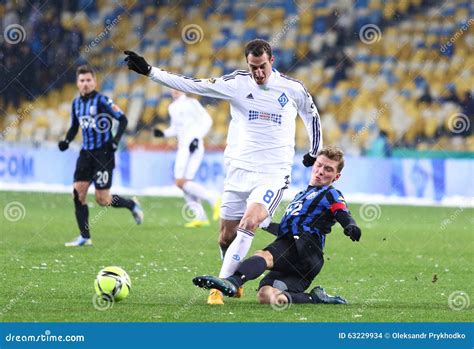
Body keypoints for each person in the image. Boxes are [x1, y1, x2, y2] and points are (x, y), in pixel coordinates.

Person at [124, 38, 322, 304]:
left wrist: (313, 151)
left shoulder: (292, 88)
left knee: (249, 222)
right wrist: (151, 72)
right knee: (225, 237)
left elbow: (312, 115)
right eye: (253, 67)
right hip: (239, 170)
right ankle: (234, 278)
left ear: (271, 61)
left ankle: (221, 287)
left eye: (262, 66)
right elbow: (194, 84)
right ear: (247, 64)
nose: (258, 73)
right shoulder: (237, 84)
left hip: (272, 173)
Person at [193, 147, 361, 305]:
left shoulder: (330, 193)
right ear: (314, 165)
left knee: (264, 255)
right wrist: (262, 223)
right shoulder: (301, 195)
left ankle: (232, 282)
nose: (321, 171)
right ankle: (314, 298)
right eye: (319, 165)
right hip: (303, 262)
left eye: (329, 169)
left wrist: (350, 225)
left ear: (336, 177)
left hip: (305, 248)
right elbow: (288, 228)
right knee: (266, 295)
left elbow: (341, 212)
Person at [59, 65, 144, 247]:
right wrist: (66, 141)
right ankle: (85, 236)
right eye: (82, 81)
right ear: (77, 83)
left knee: (102, 200)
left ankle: (131, 204)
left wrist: (115, 140)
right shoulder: (76, 103)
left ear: (95, 82)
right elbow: (75, 127)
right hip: (86, 154)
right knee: (78, 193)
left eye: (89, 80)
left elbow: (123, 119)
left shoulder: (103, 100)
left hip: (104, 154)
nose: (85, 84)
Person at [154, 89, 220, 227]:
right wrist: (164, 133)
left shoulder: (192, 103)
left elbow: (207, 120)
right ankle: (200, 218)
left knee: (180, 182)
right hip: (183, 147)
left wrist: (197, 138)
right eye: (172, 88)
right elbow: (176, 128)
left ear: (183, 89)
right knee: (185, 183)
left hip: (193, 146)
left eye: (178, 87)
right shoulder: (172, 107)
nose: (175, 90)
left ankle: (213, 199)